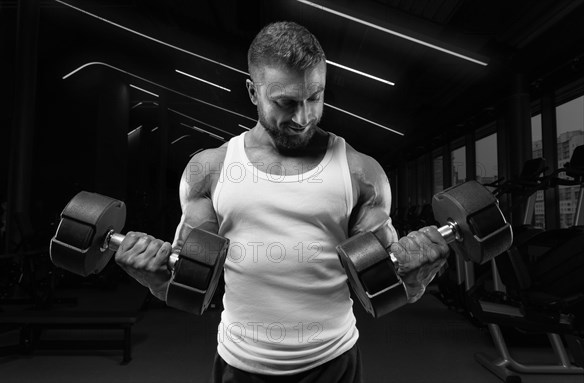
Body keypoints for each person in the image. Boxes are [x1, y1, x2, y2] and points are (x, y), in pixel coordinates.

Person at [115, 21, 449, 383]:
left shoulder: (360, 172)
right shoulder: (209, 170)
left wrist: (417, 280)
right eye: (285, 103)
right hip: (240, 364)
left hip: (333, 362)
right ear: (253, 92)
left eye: (314, 98)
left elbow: (380, 287)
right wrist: (150, 276)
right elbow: (190, 284)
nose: (303, 118)